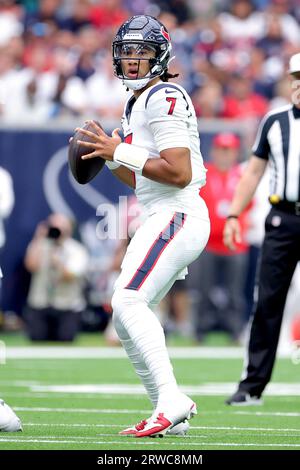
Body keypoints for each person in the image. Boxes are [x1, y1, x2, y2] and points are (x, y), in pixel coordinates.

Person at [75, 15, 210, 437]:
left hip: (179, 211)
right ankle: (167, 410)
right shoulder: (138, 102)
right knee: (124, 311)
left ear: (161, 56)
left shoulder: (164, 95)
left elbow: (179, 173)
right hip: (162, 212)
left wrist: (123, 150)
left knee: (130, 300)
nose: (133, 62)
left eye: (143, 53)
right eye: (127, 53)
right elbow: (143, 180)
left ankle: (171, 400)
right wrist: (111, 156)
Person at [223, 52, 300, 405]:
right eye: (296, 78)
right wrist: (234, 215)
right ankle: (251, 385)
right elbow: (253, 172)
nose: (299, 85)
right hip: (282, 219)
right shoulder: (274, 121)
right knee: (267, 301)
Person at [195, 133, 250, 343]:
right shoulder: (204, 174)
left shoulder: (244, 175)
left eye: (228, 150)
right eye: (221, 150)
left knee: (235, 292)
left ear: (235, 153)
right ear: (214, 151)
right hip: (207, 243)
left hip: (235, 244)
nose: (224, 155)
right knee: (203, 289)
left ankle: (235, 330)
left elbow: (251, 205)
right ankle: (200, 330)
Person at [24, 213, 88, 342]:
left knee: (66, 338)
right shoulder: (38, 246)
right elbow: (31, 266)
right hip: (40, 304)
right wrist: (38, 238)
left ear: (69, 229)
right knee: (36, 338)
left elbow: (70, 276)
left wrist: (57, 259)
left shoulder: (77, 250)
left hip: (66, 306)